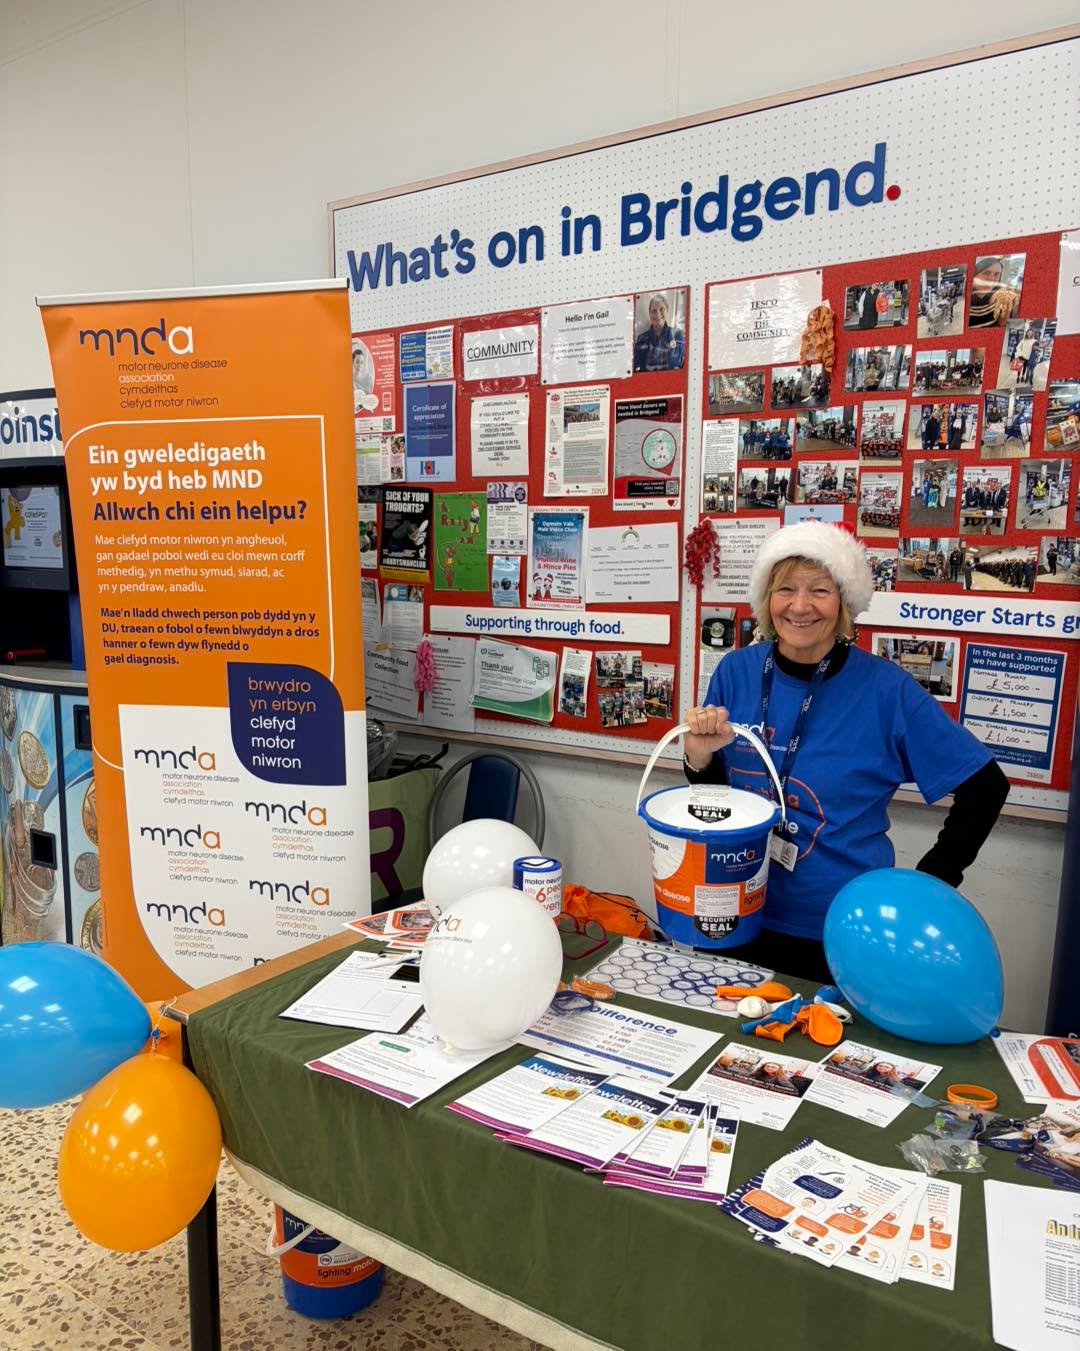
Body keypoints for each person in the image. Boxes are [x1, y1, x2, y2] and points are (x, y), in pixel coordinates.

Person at [683, 522, 1008, 979]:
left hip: (843, 930)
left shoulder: (886, 690)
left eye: (819, 590)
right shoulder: (736, 671)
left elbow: (985, 787)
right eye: (785, 589)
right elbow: (715, 802)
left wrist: (927, 886)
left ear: (844, 605)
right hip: (733, 910)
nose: (800, 606)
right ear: (766, 600)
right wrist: (699, 761)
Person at [633, 293, 685, 372]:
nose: (658, 314)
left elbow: (684, 366)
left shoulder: (677, 335)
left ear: (667, 310)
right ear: (649, 314)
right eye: (653, 311)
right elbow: (635, 370)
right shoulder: (641, 339)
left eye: (661, 309)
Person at [969, 257, 1020, 327]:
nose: (992, 279)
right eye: (986, 273)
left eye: (996, 274)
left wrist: (1008, 307)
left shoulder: (999, 294)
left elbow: (1001, 323)